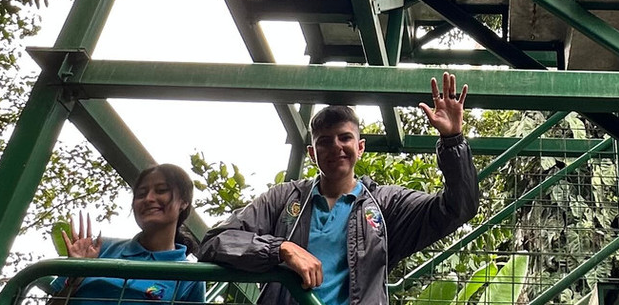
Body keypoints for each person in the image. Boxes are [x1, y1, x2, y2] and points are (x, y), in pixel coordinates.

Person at [198, 73, 479, 305]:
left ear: (360, 147)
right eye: (324, 141)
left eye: (345, 138)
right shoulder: (283, 199)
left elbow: (458, 208)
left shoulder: (385, 203)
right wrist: (281, 249)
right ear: (311, 153)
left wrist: (453, 140)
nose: (336, 147)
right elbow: (215, 242)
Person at [50, 164, 205, 305]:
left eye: (161, 190)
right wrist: (75, 278)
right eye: (141, 194)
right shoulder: (99, 249)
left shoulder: (190, 277)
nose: (149, 198)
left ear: (184, 202)